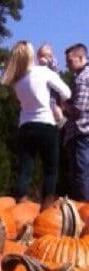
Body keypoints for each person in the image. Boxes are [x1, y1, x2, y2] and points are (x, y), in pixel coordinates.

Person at [0, 41, 71, 210]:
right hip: (46, 124)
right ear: (31, 55)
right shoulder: (43, 72)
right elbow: (67, 92)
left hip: (25, 126)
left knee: (25, 168)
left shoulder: (17, 80)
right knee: (51, 169)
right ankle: (46, 208)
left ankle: (20, 206)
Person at [63, 43, 89, 202]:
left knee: (81, 174)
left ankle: (84, 211)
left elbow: (78, 109)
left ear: (81, 57)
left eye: (70, 61)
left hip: (81, 133)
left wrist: (64, 104)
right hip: (82, 134)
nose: (68, 65)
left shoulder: (82, 79)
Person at [37, 43, 65, 126]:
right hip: (45, 95)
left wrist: (48, 62)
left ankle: (61, 124)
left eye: (46, 56)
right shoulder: (39, 68)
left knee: (55, 109)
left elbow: (56, 74)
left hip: (53, 95)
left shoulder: (53, 63)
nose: (42, 59)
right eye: (41, 56)